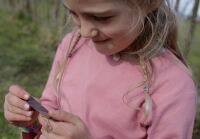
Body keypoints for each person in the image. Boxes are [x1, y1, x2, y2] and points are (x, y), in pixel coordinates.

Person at [4, 0, 197, 139]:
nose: (85, 31)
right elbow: (51, 111)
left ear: (150, 2)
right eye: (73, 13)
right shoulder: (71, 46)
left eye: (101, 17)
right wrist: (32, 120)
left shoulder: (173, 85)